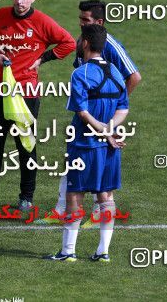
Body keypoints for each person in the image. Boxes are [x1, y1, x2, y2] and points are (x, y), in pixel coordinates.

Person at [0, 0, 76, 211]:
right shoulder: (0, 15)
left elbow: (68, 42)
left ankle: (26, 198)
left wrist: (43, 58)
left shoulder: (41, 21)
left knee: (26, 146)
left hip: (25, 95)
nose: (20, 1)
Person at [36, 0, 141, 226]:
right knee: (75, 162)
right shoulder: (83, 42)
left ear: (99, 22)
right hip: (89, 116)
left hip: (103, 118)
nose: (81, 24)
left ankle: (94, 214)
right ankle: (62, 209)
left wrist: (111, 112)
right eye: (80, 19)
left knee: (97, 165)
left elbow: (134, 77)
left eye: (86, 20)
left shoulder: (110, 45)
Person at [44, 24, 129, 262]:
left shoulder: (80, 73)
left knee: (74, 195)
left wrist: (102, 130)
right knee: (106, 197)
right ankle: (103, 252)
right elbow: (124, 108)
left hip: (83, 145)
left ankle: (67, 251)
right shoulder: (116, 71)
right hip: (109, 148)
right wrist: (110, 130)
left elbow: (82, 113)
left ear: (85, 44)